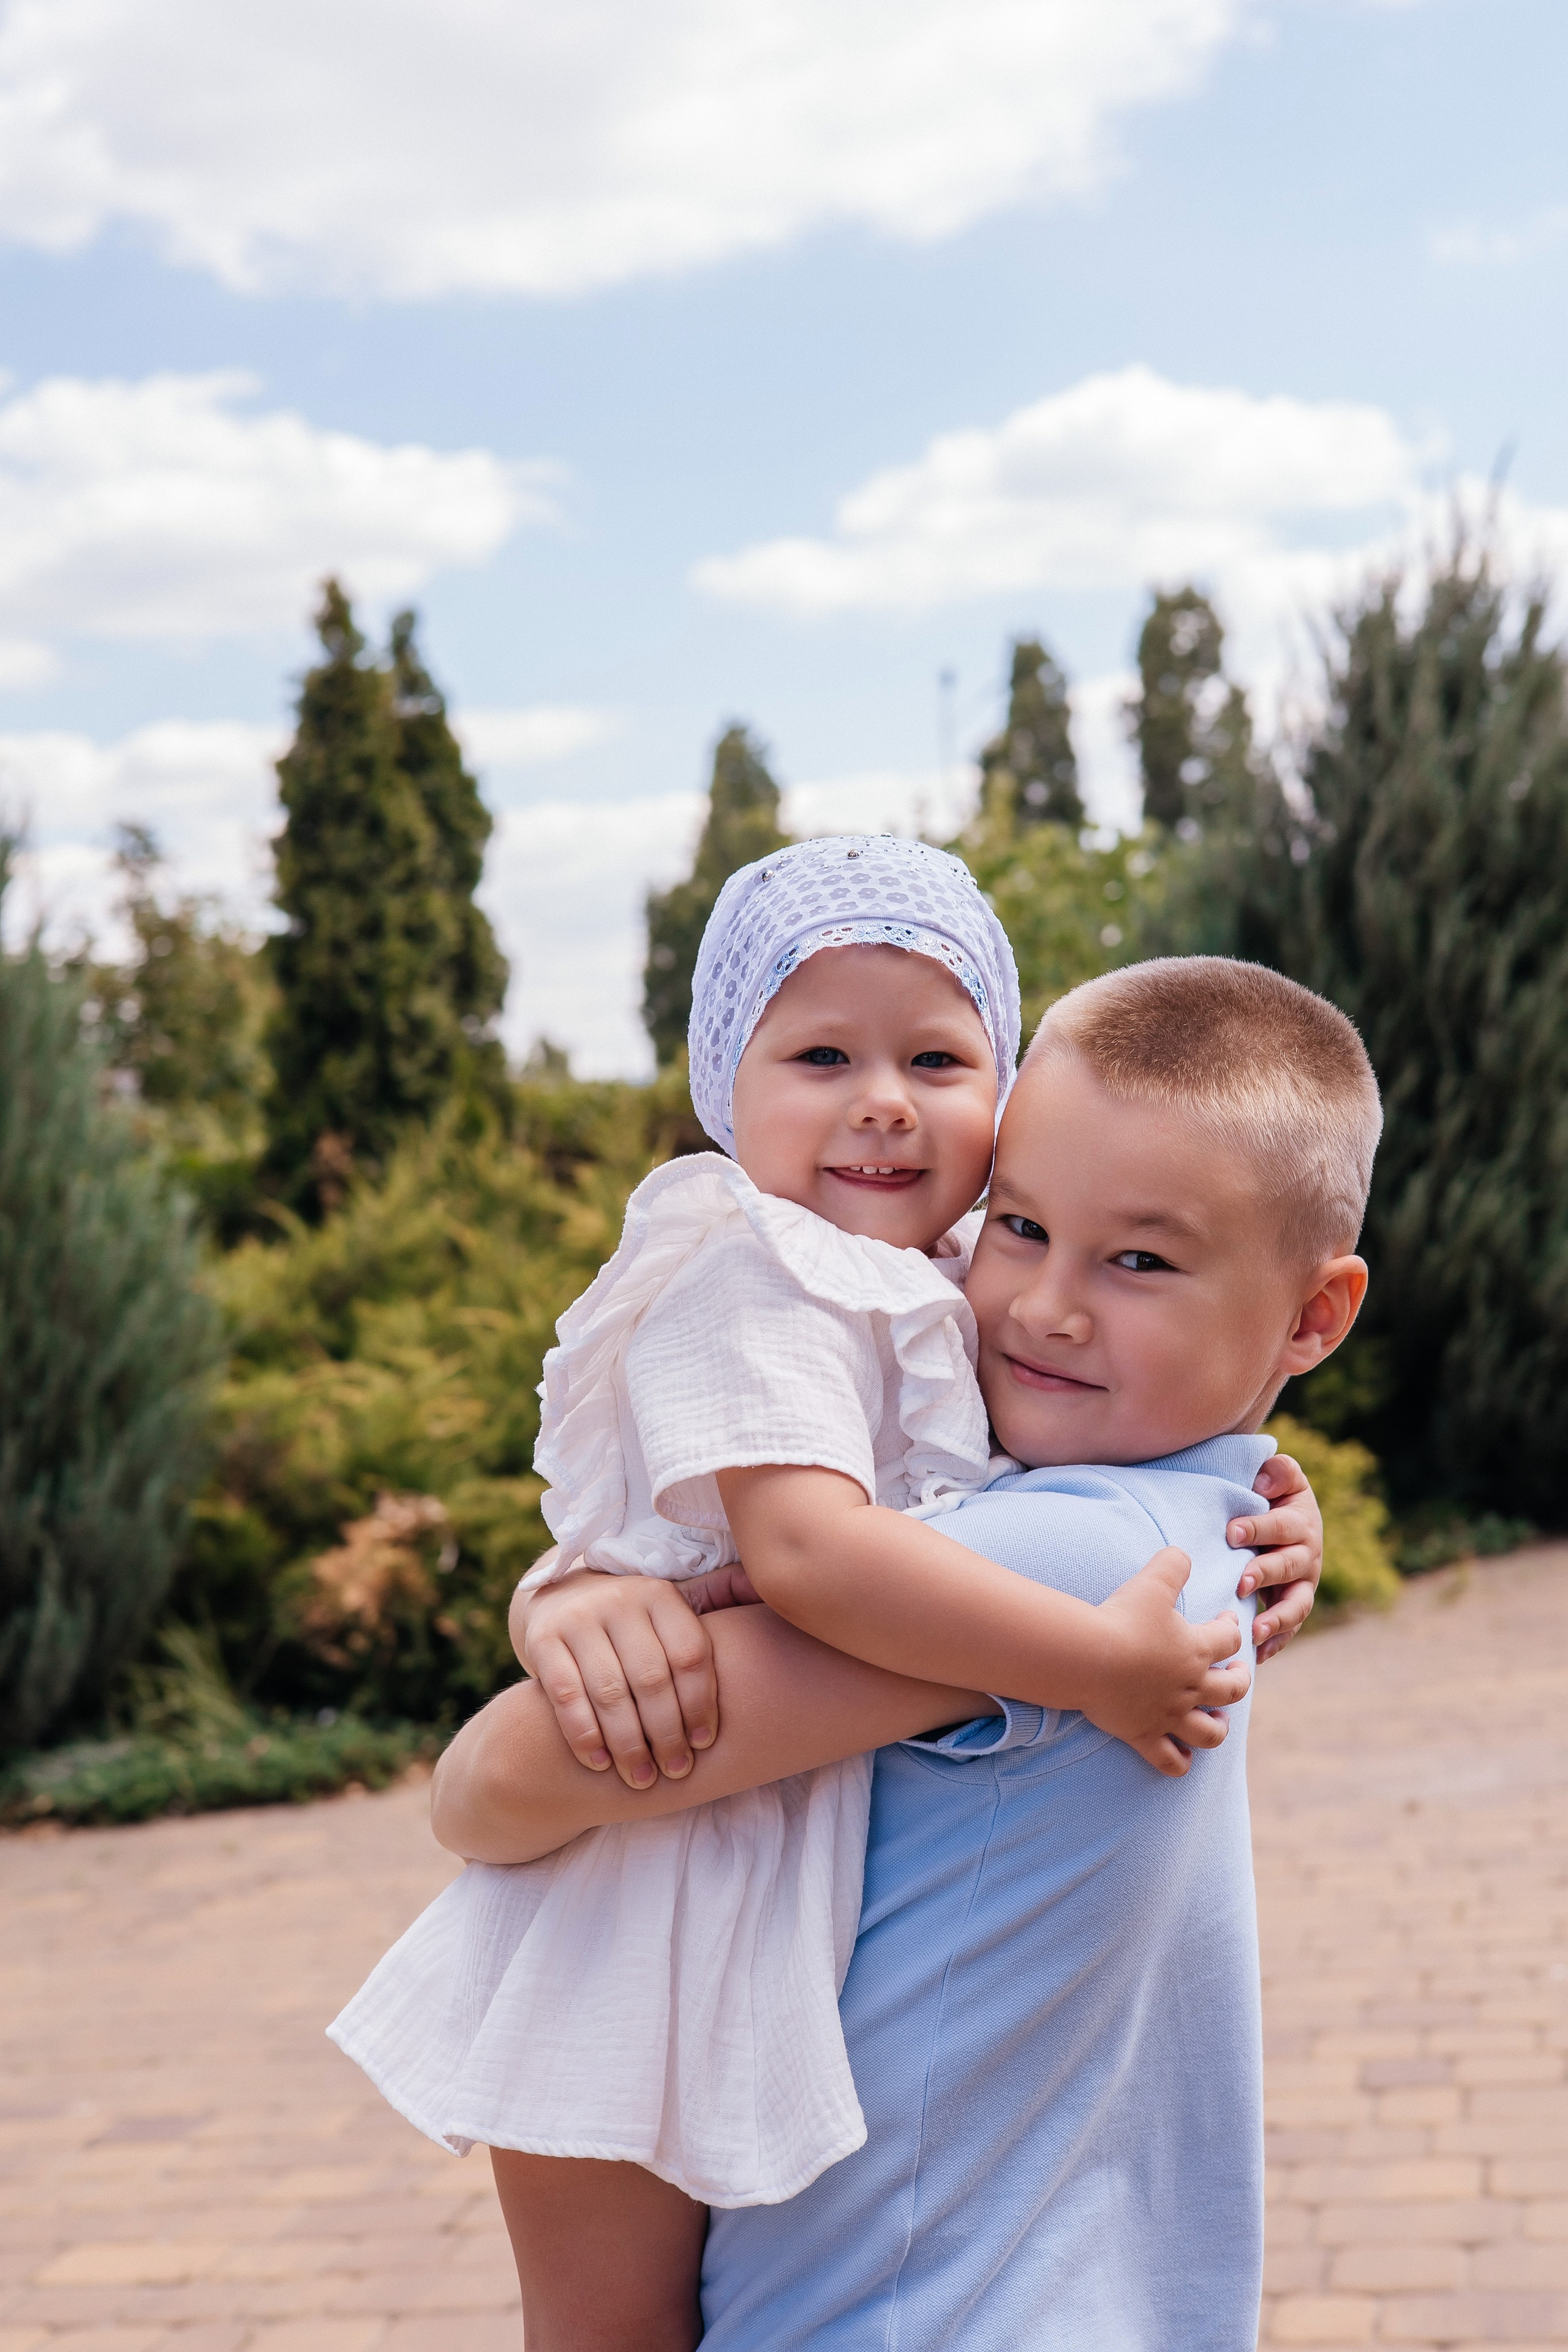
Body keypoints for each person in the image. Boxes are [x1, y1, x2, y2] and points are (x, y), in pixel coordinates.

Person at [328, 840, 1321, 2352]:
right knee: (603, 2325)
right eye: (818, 1055)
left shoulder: (931, 1282)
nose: (879, 1098)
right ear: (724, 1089)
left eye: (933, 1056)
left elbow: (1012, 1453)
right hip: (634, 1898)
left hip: (743, 1847)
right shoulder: (756, 1273)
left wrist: (1260, 1477)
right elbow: (798, 1556)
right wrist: (1093, 1662)